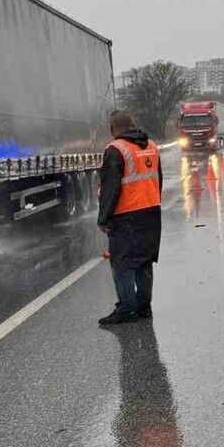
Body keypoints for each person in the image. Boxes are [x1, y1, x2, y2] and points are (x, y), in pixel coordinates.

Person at [97, 111, 163, 325]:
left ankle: (127, 308)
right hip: (151, 211)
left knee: (122, 263)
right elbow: (158, 180)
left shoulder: (115, 150)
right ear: (133, 124)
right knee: (144, 260)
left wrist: (104, 218)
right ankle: (144, 306)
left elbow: (110, 189)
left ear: (112, 129)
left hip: (126, 215)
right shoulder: (151, 146)